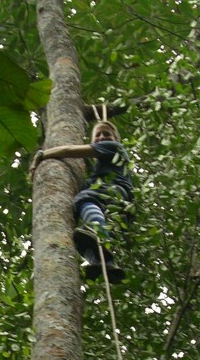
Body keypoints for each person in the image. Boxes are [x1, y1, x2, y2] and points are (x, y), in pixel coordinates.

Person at [30, 120, 134, 284]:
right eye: (97, 135)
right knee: (83, 239)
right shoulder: (103, 165)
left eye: (107, 134)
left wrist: (42, 155)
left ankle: (96, 231)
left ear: (116, 140)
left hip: (115, 192)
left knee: (85, 199)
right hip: (121, 206)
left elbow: (69, 150)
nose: (102, 137)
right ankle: (105, 263)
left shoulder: (113, 148)